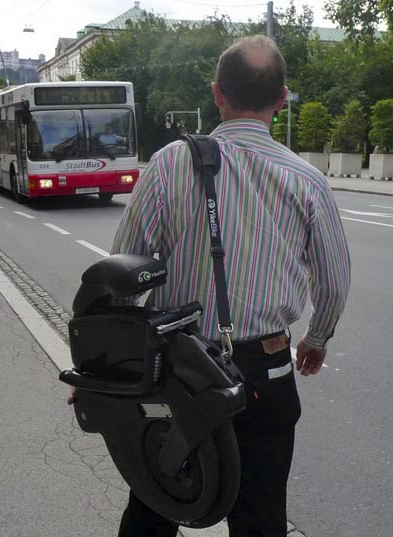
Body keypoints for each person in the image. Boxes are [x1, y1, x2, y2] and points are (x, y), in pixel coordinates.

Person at [70, 35, 351, 537]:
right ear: (282, 98)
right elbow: (333, 283)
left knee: (155, 501)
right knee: (261, 520)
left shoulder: (167, 165)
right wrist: (316, 340)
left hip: (176, 369)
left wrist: (104, 364)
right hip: (265, 373)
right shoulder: (307, 180)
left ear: (217, 93)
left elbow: (124, 274)